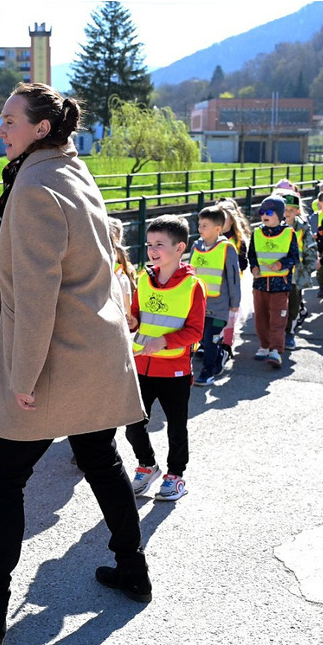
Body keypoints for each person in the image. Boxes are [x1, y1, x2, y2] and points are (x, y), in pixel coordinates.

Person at [0, 82, 148, 645]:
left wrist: (20, 378)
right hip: (96, 349)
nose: (1, 128)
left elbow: (38, 289)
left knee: (0, 478)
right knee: (100, 456)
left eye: (9, 119)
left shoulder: (35, 185)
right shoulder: (66, 170)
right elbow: (23, 239)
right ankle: (132, 569)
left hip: (53, 357)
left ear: (40, 127)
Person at [126, 214, 205, 501]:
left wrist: (165, 341)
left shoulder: (193, 286)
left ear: (180, 247)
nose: (152, 250)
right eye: (149, 244)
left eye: (159, 244)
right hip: (141, 366)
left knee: (176, 427)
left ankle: (175, 476)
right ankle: (147, 466)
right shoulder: (143, 280)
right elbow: (137, 320)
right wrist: (131, 322)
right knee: (133, 424)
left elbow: (196, 331)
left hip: (175, 370)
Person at [188, 205, 241, 386]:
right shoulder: (196, 246)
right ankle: (220, 356)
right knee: (201, 338)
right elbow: (189, 273)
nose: (200, 228)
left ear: (218, 229)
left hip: (219, 307)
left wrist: (235, 303)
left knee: (211, 339)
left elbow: (234, 278)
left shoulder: (227, 248)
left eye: (205, 225)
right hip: (198, 305)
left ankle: (207, 370)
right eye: (199, 224)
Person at [248, 196, 299, 368]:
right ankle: (264, 345)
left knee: (278, 319)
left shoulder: (289, 233)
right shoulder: (256, 233)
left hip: (280, 285)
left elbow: (294, 258)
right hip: (260, 284)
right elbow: (252, 256)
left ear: (279, 214)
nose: (264, 215)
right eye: (262, 212)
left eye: (269, 212)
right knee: (261, 318)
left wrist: (281, 264)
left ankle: (276, 350)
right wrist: (253, 268)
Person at [215, 198, 251, 367]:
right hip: (215, 284)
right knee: (213, 315)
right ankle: (212, 341)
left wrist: (231, 261)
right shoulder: (212, 237)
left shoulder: (238, 239)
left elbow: (244, 262)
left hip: (233, 285)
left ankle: (227, 344)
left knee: (230, 316)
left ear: (231, 218)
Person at [282, 192, 317, 349]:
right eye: (285, 209)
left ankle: (289, 332)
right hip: (277, 273)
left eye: (291, 210)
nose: (287, 213)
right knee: (278, 305)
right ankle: (277, 332)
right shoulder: (274, 227)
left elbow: (310, 247)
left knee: (293, 305)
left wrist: (309, 268)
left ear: (297, 211)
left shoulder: (302, 227)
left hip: (296, 273)